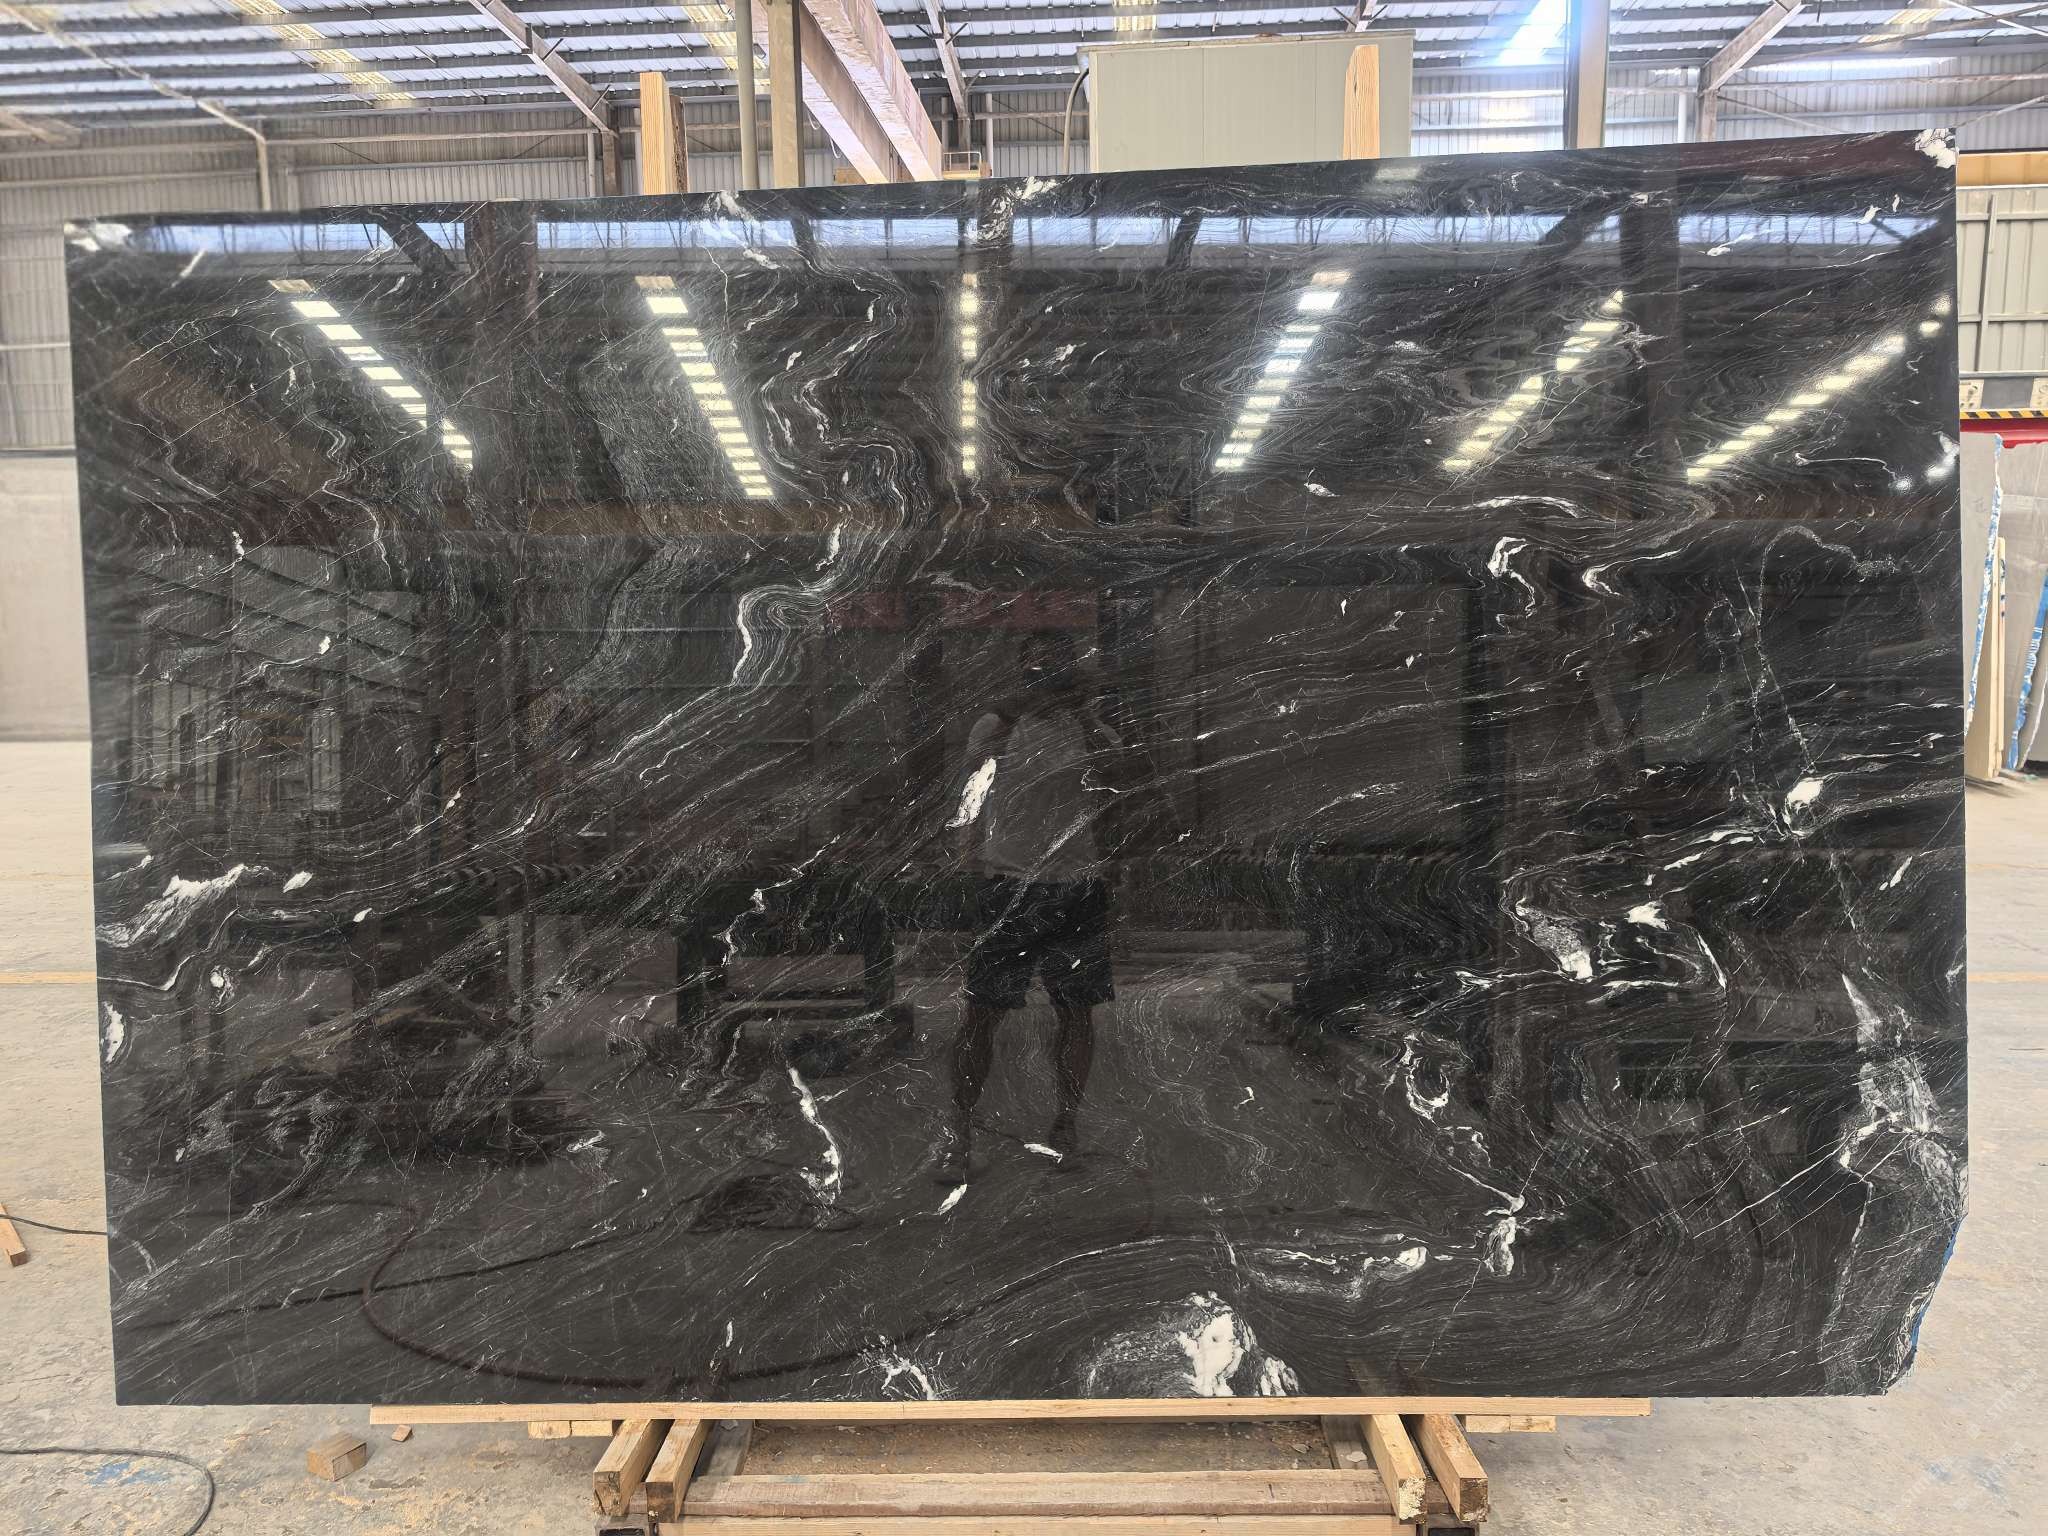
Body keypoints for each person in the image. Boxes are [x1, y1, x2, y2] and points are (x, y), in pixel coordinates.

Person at [933, 629, 1123, 1185]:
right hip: (1010, 885)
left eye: (1057, 668)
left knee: (1076, 1013)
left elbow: (1120, 781)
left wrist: (1083, 714)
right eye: (1038, 670)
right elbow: (971, 796)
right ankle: (959, 1133)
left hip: (1076, 886)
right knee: (982, 1014)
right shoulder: (997, 725)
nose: (1047, 679)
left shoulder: (1089, 727)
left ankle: (1066, 1128)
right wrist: (967, 865)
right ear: (1023, 674)